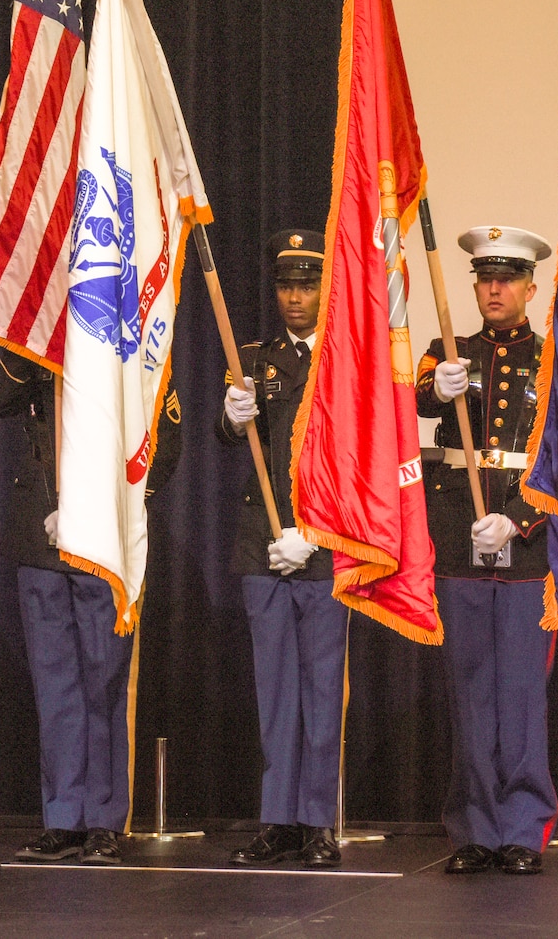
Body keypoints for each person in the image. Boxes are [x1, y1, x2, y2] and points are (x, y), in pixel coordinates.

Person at [0, 340, 181, 867]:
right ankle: (62, 818)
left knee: (104, 683)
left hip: (102, 545)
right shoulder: (35, 340)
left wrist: (98, 508)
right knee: (56, 688)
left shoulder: (132, 339)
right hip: (39, 539)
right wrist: (28, 343)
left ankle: (102, 821)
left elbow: (166, 443)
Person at [417, 226, 557, 877]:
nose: (494, 288)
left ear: (531, 287)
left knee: (522, 693)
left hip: (525, 546)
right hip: (457, 539)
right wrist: (435, 390)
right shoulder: (447, 352)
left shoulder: (554, 359)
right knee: (469, 688)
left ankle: (524, 826)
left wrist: (519, 519)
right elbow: (410, 399)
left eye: (507, 278)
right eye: (484, 277)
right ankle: (474, 825)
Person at [218, 230, 347, 870]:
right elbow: (226, 438)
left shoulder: (347, 360)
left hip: (323, 545)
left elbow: (356, 464)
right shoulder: (251, 357)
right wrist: (231, 414)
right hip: (262, 545)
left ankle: (319, 821)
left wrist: (315, 536)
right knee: (276, 694)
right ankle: (278, 820)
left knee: (322, 692)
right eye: (286, 287)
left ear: (326, 289)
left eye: (307, 285)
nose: (295, 298)